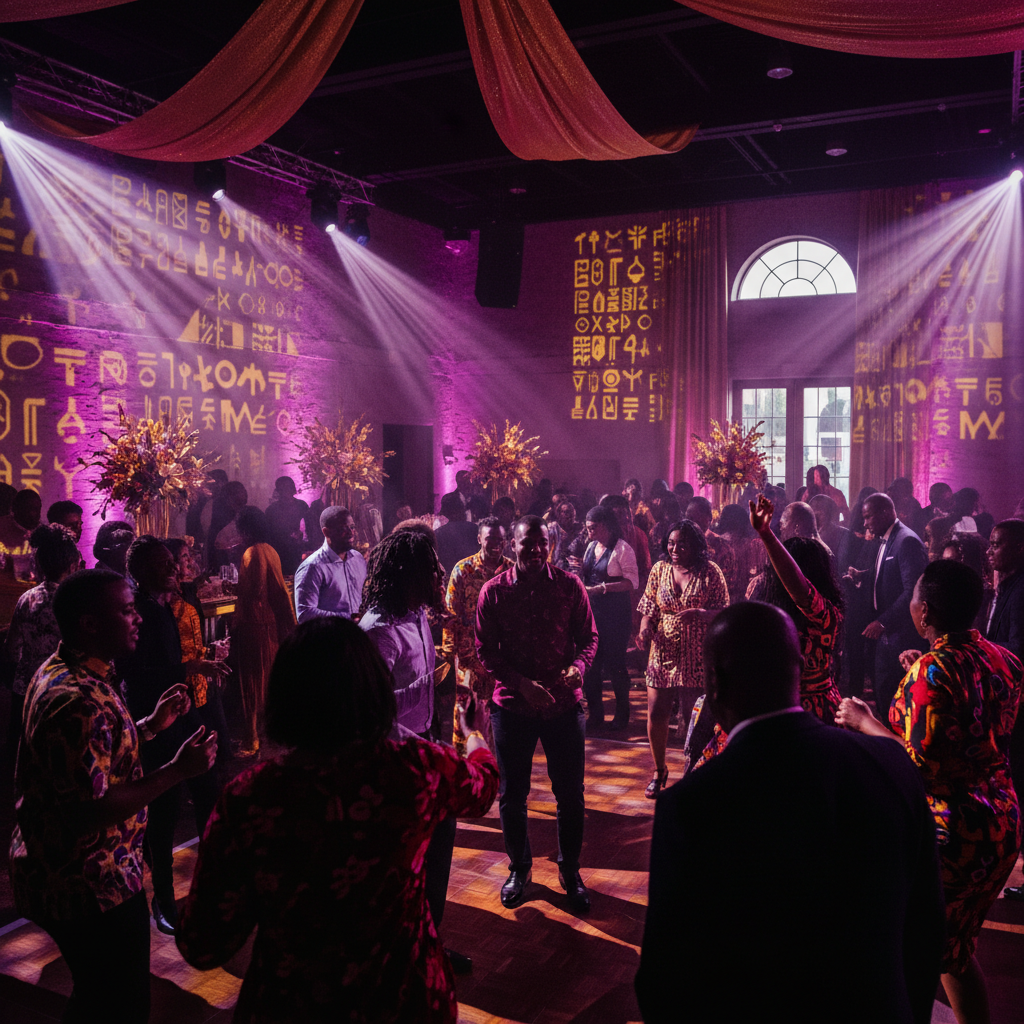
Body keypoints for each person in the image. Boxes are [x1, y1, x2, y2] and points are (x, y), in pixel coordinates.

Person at [176, 617, 499, 1024]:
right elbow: (484, 786)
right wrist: (473, 734)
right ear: (375, 689)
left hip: (292, 1004)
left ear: (286, 696)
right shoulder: (414, 771)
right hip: (402, 999)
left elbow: (203, 944)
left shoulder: (251, 796)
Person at [636, 602, 944, 1024]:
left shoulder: (692, 805)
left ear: (714, 683)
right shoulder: (890, 764)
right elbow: (926, 929)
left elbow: (667, 978)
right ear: (798, 669)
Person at [10, 568, 217, 1024]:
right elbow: (91, 811)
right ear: (89, 624)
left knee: (97, 997)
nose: (138, 617)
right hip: (88, 884)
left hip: (69, 871)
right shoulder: (77, 699)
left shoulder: (68, 669)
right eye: (126, 610)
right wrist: (178, 770)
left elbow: (94, 758)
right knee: (119, 1005)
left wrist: (149, 726)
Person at [837, 559, 1022, 1024]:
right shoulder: (1004, 658)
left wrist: (867, 723)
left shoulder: (932, 672)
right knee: (953, 951)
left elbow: (918, 767)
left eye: (916, 598)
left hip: (949, 829)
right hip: (1001, 818)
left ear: (926, 613)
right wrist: (920, 671)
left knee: (910, 954)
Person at [360, 529, 471, 970]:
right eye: (430, 568)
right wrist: (434, 683)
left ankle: (429, 943)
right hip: (393, 760)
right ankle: (397, 954)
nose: (439, 574)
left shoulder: (417, 616)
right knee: (404, 865)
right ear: (404, 573)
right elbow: (375, 712)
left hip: (425, 743)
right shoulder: (378, 631)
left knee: (439, 849)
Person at [476, 516, 598, 913]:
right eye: (527, 543)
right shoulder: (493, 592)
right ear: (512, 544)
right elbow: (485, 651)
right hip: (513, 706)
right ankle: (520, 868)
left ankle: (570, 871)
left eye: (542, 543)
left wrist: (578, 668)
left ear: (551, 544)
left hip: (564, 704)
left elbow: (589, 638)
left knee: (570, 795)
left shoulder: (569, 585)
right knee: (513, 795)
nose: (535, 550)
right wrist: (521, 685)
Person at [118, 537, 226, 934]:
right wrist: (190, 668)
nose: (174, 568)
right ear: (142, 572)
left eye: (172, 561)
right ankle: (162, 900)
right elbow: (135, 676)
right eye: (163, 563)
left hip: (184, 713)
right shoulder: (141, 612)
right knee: (162, 817)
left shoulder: (166, 606)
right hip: (157, 722)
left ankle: (211, 886)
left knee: (210, 797)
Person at [636, 519, 728, 798]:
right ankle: (659, 770)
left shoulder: (710, 572)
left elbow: (724, 611)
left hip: (696, 651)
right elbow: (648, 604)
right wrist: (643, 627)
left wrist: (700, 614)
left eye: (682, 544)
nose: (675, 549)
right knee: (657, 712)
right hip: (662, 649)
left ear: (695, 546)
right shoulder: (659, 569)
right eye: (671, 543)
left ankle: (695, 773)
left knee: (695, 717)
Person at [3, 524, 81, 756]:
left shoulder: (27, 598)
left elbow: (12, 647)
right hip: (63, 692)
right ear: (73, 565)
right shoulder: (76, 600)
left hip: (27, 688)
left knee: (25, 755)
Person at [850, 491, 928, 715]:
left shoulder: (907, 541)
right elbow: (888, 574)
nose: (865, 523)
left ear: (886, 512)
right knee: (883, 692)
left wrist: (883, 622)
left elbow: (913, 591)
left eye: (869, 517)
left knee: (895, 697)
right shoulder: (887, 538)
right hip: (886, 633)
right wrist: (863, 576)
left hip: (900, 634)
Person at [442, 515, 513, 749]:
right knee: (468, 717)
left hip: (504, 659)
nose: (496, 544)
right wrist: (450, 655)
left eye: (500, 540)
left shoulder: (513, 571)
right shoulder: (463, 570)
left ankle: (500, 773)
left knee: (503, 718)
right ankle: (469, 773)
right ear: (479, 539)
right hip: (469, 659)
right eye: (490, 538)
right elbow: (451, 615)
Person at [233, 506, 297, 755]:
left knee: (251, 681)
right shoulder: (271, 550)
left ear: (245, 529)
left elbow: (256, 590)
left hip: (254, 624)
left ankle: (251, 740)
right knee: (267, 681)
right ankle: (268, 735)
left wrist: (239, 593)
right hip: (270, 624)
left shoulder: (252, 552)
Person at [985, 518, 1024, 898]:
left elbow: (1016, 654)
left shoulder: (1021, 590)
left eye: (997, 544)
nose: (989, 550)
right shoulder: (1005, 586)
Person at [578, 505, 638, 731]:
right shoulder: (590, 546)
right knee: (592, 664)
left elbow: (632, 582)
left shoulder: (623, 549)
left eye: (592, 528)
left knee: (616, 665)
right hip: (593, 613)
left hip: (615, 615)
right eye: (587, 528)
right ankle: (596, 715)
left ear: (605, 525)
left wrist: (602, 588)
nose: (589, 532)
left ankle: (622, 715)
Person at [292, 505, 367, 622]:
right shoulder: (313, 567)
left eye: (352, 527)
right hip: (330, 637)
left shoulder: (357, 559)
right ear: (326, 532)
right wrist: (349, 619)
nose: (351, 533)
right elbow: (305, 613)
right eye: (343, 529)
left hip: (358, 636)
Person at [264, 475, 310, 576]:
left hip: (297, 550)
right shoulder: (272, 510)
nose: (286, 491)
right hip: (279, 552)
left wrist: (301, 536)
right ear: (278, 491)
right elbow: (268, 534)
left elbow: (309, 528)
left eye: (288, 487)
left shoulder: (302, 506)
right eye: (283, 488)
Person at [436, 493, 490, 575]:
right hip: (472, 579)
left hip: (449, 581)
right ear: (462, 510)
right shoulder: (475, 529)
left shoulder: (438, 533)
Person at [208, 480, 248, 569]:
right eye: (239, 492)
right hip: (225, 565)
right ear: (229, 497)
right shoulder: (222, 519)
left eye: (243, 491)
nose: (244, 494)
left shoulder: (247, 514)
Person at [0, 488, 42, 555]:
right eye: (28, 509)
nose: (32, 514)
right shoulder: (2, 528)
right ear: (15, 509)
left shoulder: (43, 533)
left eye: (36, 509)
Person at [547, 499, 584, 572]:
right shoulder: (553, 528)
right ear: (559, 514)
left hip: (577, 568)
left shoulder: (580, 528)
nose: (569, 515)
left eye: (571, 512)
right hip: (559, 567)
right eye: (566, 512)